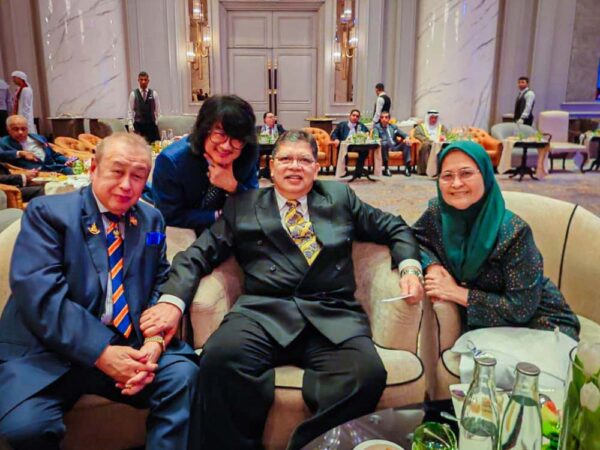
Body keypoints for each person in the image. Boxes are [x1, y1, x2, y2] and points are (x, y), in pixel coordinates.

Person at [141, 130, 425, 450]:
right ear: (271, 167)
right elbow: (196, 255)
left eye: (304, 159)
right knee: (219, 360)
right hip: (263, 312)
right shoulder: (243, 205)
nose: (295, 166)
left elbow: (396, 227)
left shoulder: (340, 198)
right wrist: (171, 301)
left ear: (317, 168)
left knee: (366, 373)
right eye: (286, 159)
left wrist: (410, 268)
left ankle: (309, 445)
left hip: (330, 312)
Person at [0, 132, 199, 450]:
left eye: (137, 176)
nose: (126, 185)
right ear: (94, 168)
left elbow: (159, 278)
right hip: (52, 350)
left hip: (128, 342)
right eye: (117, 171)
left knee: (182, 375)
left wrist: (153, 339)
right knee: (27, 427)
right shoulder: (48, 214)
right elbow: (41, 297)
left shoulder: (151, 220)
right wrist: (101, 353)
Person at [412, 140, 580, 340]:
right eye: (447, 176)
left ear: (486, 176)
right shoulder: (437, 214)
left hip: (540, 324)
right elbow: (412, 238)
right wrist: (433, 265)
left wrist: (456, 292)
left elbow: (521, 309)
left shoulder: (514, 232)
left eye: (466, 173)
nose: (456, 183)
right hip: (484, 327)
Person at [152, 94, 259, 236]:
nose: (226, 146)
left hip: (235, 234)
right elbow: (169, 215)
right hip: (192, 234)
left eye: (237, 138)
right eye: (220, 134)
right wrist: (218, 215)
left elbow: (257, 206)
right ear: (204, 130)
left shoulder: (245, 153)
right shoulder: (171, 161)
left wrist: (233, 186)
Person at [0, 115, 73, 174]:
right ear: (8, 130)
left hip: (55, 168)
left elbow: (54, 155)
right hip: (35, 173)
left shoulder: (39, 138)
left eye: (23, 129)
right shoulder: (3, 142)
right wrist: (20, 153)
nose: (20, 132)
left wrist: (67, 160)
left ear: (27, 129)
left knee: (78, 174)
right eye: (16, 129)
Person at [331, 109, 369, 177]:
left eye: (357, 116)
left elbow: (367, 132)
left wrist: (366, 134)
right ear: (350, 116)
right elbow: (334, 134)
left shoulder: (361, 125)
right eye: (353, 115)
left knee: (365, 150)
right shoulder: (342, 125)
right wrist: (336, 139)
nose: (355, 117)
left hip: (356, 146)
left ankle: (359, 170)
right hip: (345, 146)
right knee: (341, 148)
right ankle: (343, 170)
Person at [374, 111, 411, 177]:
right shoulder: (377, 127)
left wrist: (407, 138)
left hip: (395, 146)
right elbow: (375, 137)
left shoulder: (393, 127)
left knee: (407, 143)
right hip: (385, 147)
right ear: (380, 119)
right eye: (382, 117)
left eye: (386, 117)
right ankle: (386, 168)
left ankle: (407, 168)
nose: (384, 119)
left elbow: (403, 134)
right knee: (384, 143)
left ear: (389, 119)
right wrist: (378, 139)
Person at [127, 71, 161, 143]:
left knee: (155, 146)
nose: (143, 82)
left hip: (151, 125)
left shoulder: (154, 93)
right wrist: (130, 124)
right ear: (138, 80)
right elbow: (130, 110)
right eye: (141, 80)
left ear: (148, 81)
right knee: (139, 147)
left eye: (145, 80)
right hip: (138, 126)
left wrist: (157, 122)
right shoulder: (133, 94)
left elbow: (158, 110)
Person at [414, 109, 448, 175]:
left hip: (439, 144)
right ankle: (428, 170)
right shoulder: (421, 127)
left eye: (435, 118)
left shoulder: (442, 127)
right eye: (432, 118)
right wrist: (430, 141)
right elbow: (417, 135)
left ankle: (441, 170)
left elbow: (445, 135)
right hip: (427, 144)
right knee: (426, 146)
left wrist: (442, 138)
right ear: (428, 118)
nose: (434, 120)